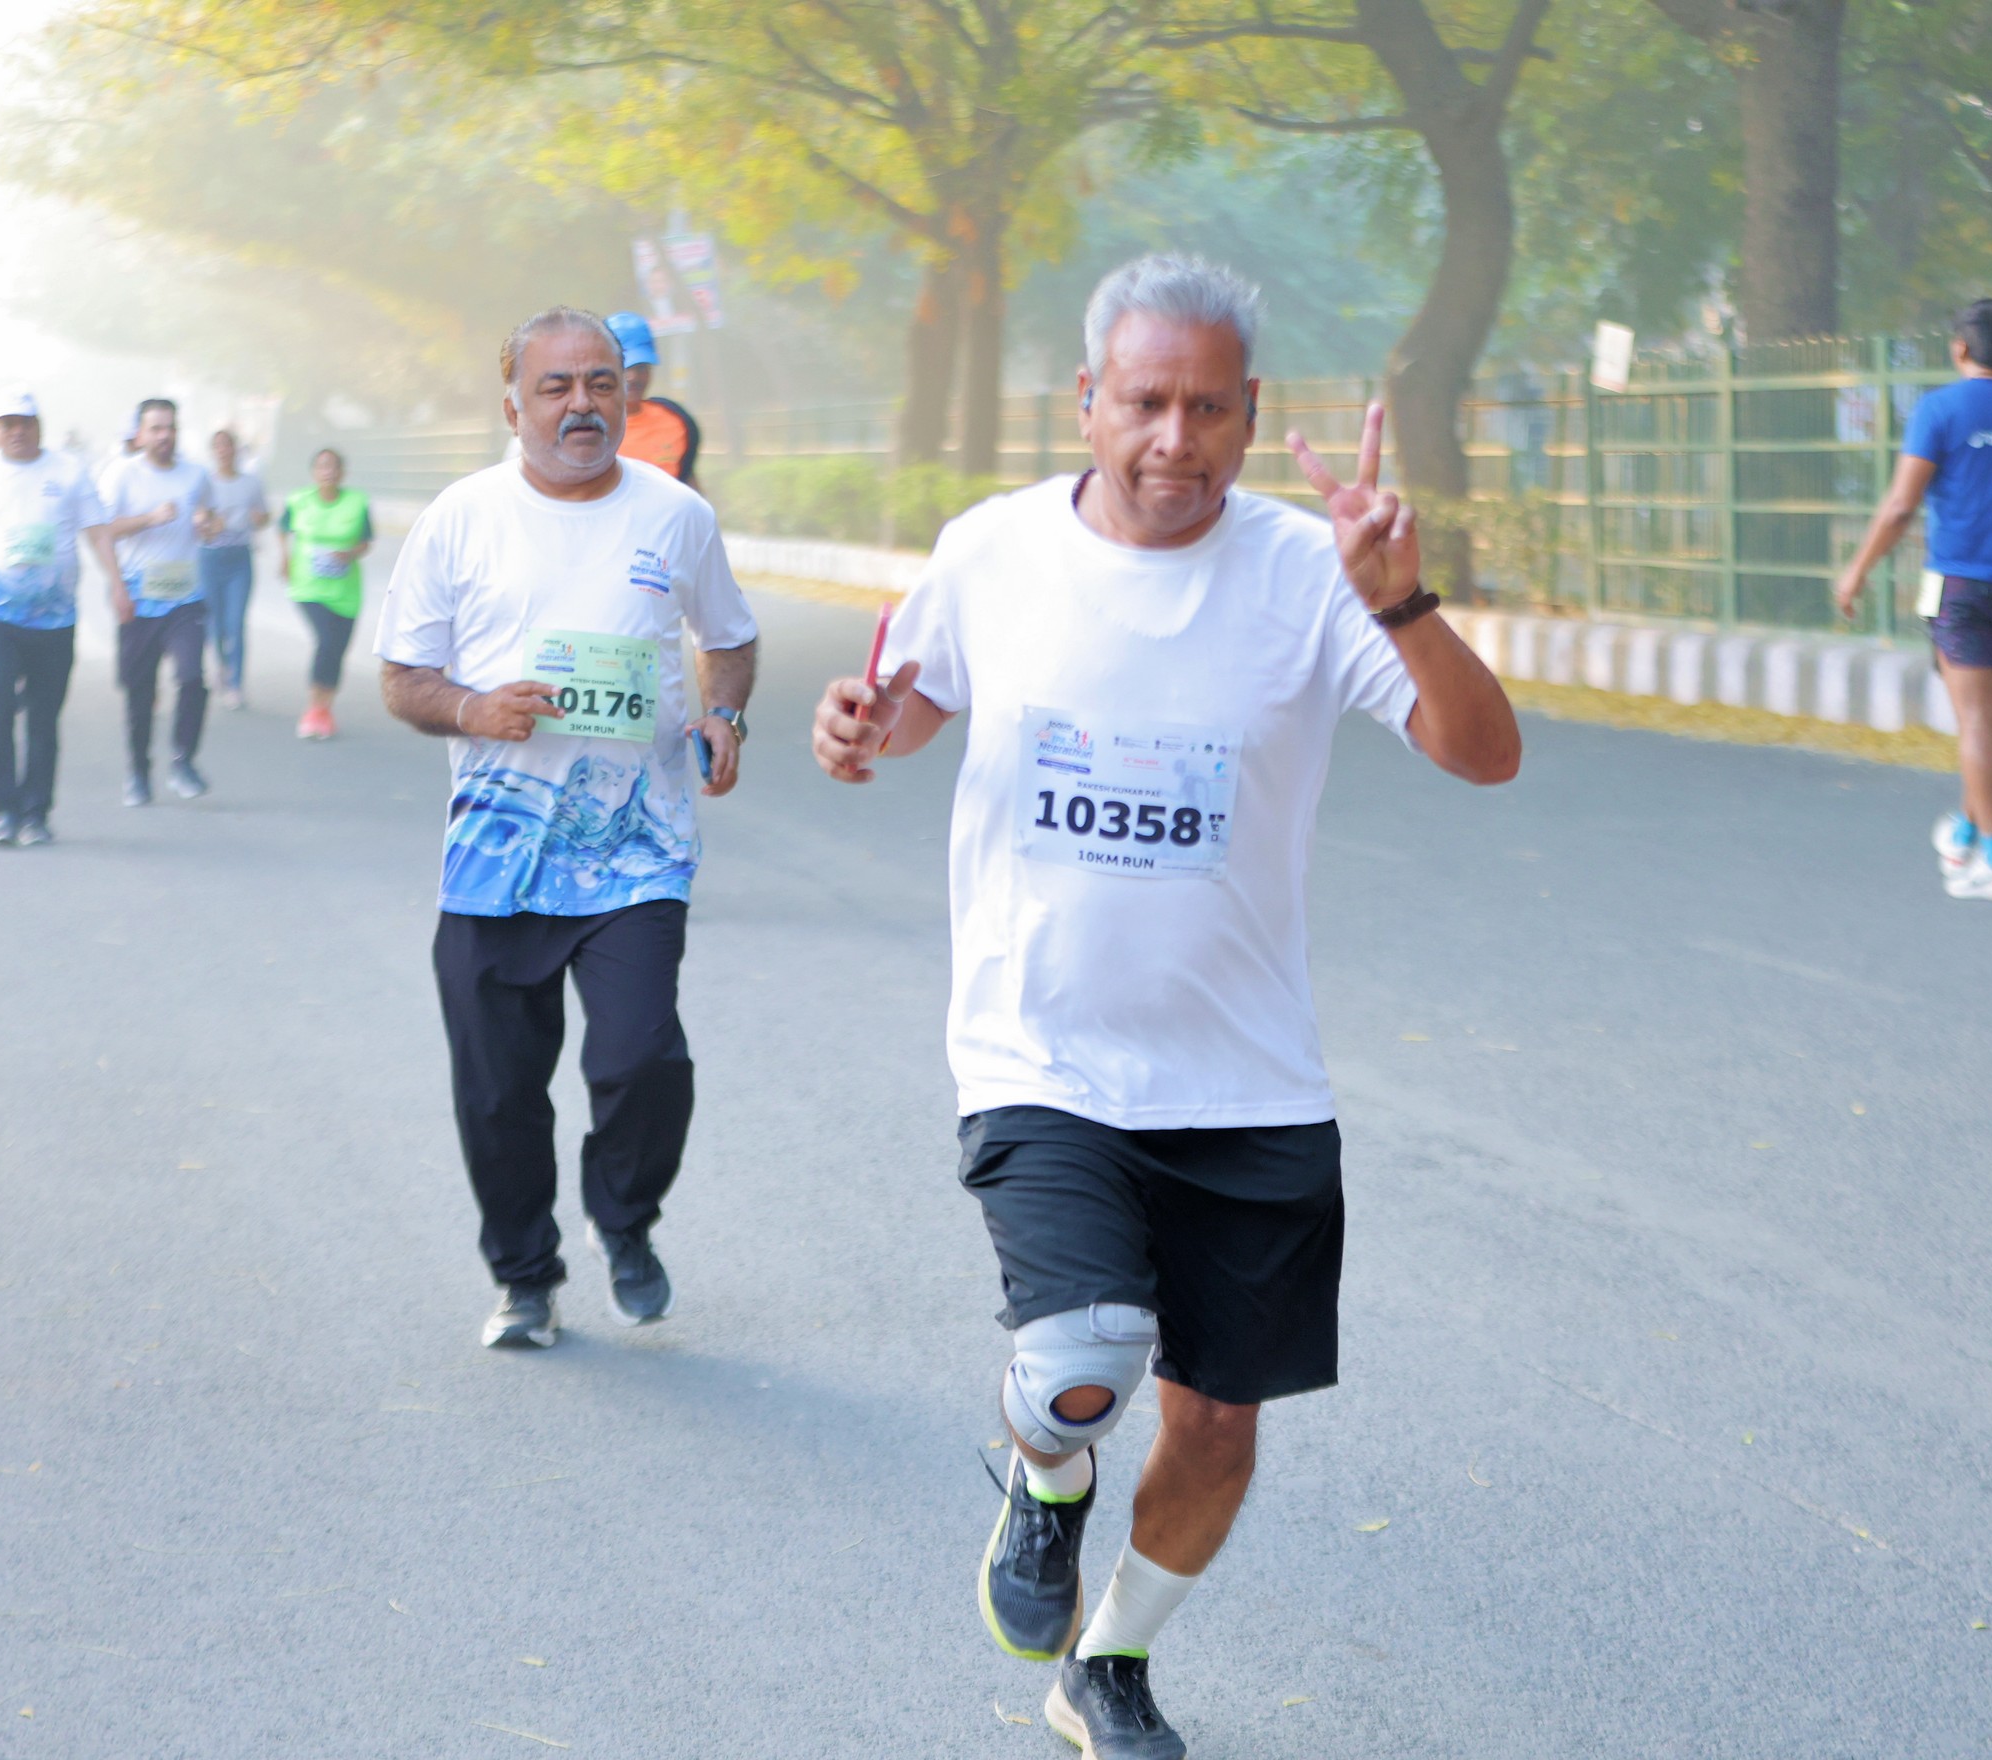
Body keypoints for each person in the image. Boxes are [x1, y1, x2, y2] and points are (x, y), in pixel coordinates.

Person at [808, 255, 1520, 1757]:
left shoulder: (1311, 573)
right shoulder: (994, 550)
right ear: (1087, 401)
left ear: (1252, 413)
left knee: (1217, 1427)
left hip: (1248, 1077)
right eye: (1144, 403)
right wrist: (859, 724)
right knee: (1083, 1361)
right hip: (1042, 1051)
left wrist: (1401, 602)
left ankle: (1109, 1663)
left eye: (1207, 409)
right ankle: (1046, 1474)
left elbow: (1484, 751)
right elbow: (912, 698)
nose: (1174, 440)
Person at [373, 305, 758, 1347]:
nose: (583, 403)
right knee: (498, 1092)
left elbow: (728, 638)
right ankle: (525, 1278)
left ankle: (623, 1220)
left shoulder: (676, 514)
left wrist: (723, 715)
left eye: (601, 382)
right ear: (514, 407)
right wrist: (472, 708)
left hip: (638, 848)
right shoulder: (461, 517)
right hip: (497, 856)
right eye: (556, 386)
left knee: (643, 1059)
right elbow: (403, 678)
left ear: (627, 395)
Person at [1836, 298, 1992, 902]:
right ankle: (1968, 831)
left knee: (1974, 723)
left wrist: (1857, 570)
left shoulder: (1938, 409)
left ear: (1960, 348)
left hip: (1957, 587)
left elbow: (1900, 505)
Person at [0, 394, 122, 848]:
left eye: (26, 422)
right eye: (8, 423)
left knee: (43, 715)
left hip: (54, 616)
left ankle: (36, 812)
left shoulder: (69, 471)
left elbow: (98, 532)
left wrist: (119, 584)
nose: (17, 431)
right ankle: (4, 810)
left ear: (40, 426)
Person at [100, 399, 216, 804]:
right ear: (139, 434)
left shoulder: (196, 475)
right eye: (156, 429)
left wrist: (207, 523)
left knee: (192, 678)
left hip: (185, 599)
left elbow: (212, 517)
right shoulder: (121, 474)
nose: (165, 436)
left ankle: (183, 761)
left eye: (170, 428)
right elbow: (103, 530)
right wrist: (149, 519)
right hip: (140, 601)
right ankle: (138, 771)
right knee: (139, 691)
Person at [280, 449, 373, 740]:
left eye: (333, 466)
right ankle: (313, 709)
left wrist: (350, 553)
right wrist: (284, 557)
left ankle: (325, 709)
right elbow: (283, 528)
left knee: (338, 649)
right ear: (314, 472)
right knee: (327, 640)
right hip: (308, 586)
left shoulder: (357, 502)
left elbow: (366, 540)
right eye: (322, 466)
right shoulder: (299, 500)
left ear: (343, 472)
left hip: (346, 590)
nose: (328, 471)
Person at [195, 429, 270, 708]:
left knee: (236, 623)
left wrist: (259, 519)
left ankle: (236, 684)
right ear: (213, 451)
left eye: (228, 445)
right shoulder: (205, 483)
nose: (224, 450)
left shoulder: (251, 482)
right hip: (210, 558)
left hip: (239, 558)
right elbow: (197, 520)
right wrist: (207, 525)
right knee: (215, 623)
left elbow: (264, 516)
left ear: (236, 449)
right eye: (218, 446)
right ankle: (223, 667)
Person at [605, 312, 702, 486]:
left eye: (641, 367)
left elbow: (689, 486)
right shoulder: (585, 430)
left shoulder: (676, 420)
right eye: (624, 367)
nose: (633, 376)